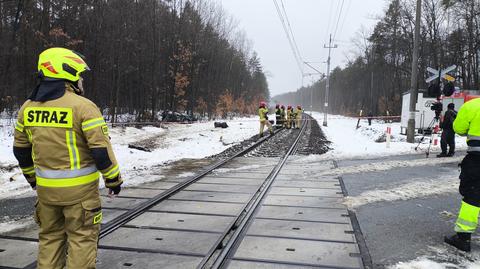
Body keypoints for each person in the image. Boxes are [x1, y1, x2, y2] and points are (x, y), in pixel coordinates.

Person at [13, 47, 122, 268]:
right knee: (81, 240)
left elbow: (20, 150)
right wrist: (114, 180)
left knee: (50, 240)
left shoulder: (27, 108)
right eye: (79, 74)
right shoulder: (83, 107)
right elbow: (100, 150)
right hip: (80, 197)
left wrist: (33, 180)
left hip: (46, 194)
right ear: (68, 71)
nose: (81, 79)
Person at [444, 98, 480, 252]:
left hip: (477, 159)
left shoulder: (473, 106)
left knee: (473, 195)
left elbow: (458, 128)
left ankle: (463, 237)